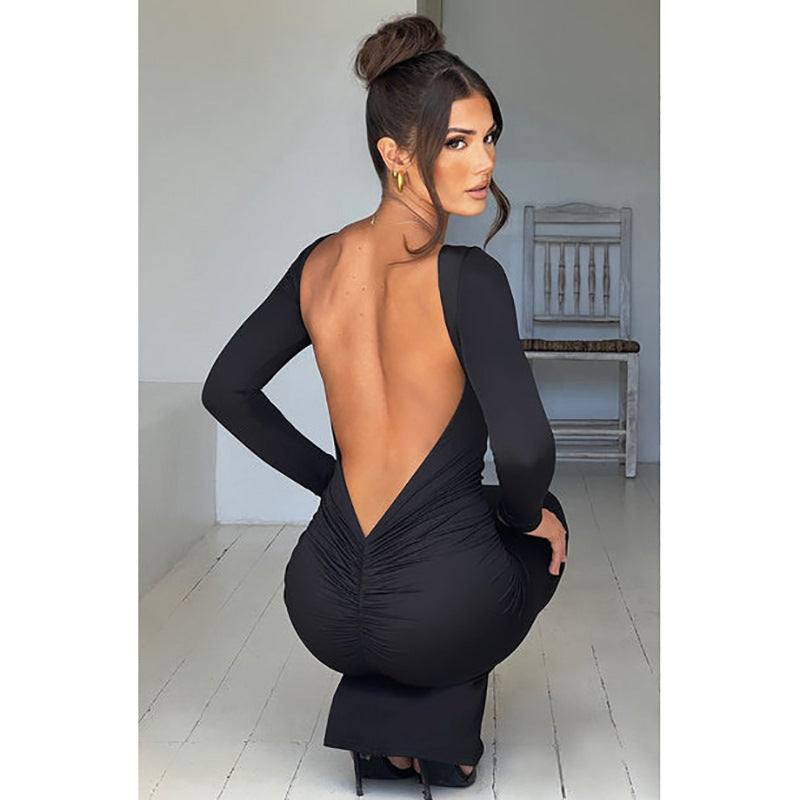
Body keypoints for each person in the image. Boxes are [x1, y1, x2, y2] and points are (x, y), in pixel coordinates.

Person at [201, 13, 569, 799]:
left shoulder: (319, 263)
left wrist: (331, 481)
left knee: (464, 532)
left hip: (320, 603)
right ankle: (439, 744)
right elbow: (528, 451)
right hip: (438, 613)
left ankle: (384, 742)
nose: (485, 161)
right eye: (457, 142)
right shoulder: (468, 279)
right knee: (539, 522)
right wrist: (524, 515)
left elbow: (226, 390)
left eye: (489, 137)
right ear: (395, 155)